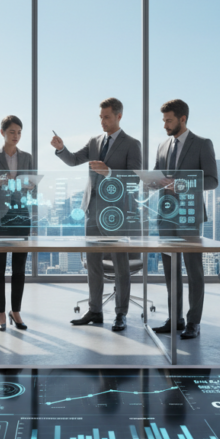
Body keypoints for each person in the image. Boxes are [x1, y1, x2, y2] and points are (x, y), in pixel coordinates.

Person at [51, 97, 143, 332]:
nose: (102, 121)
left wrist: (109, 171)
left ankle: (121, 314)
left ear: (119, 116)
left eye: (107, 117)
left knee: (121, 265)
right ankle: (95, 310)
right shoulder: (94, 141)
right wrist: (61, 149)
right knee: (93, 263)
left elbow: (135, 178)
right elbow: (73, 160)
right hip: (92, 210)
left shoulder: (132, 144)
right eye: (100, 117)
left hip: (116, 213)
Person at [150, 99, 218, 339]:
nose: (165, 125)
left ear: (182, 119)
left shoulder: (202, 144)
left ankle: (193, 323)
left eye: (169, 120)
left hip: (189, 216)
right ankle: (175, 319)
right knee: (170, 270)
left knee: (193, 271)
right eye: (164, 120)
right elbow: (156, 177)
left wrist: (182, 184)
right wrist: (151, 180)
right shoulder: (162, 146)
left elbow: (212, 180)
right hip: (165, 215)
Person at [0, 115, 34, 331]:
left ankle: (16, 311)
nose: (16, 136)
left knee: (19, 268)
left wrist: (30, 186)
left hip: (21, 215)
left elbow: (33, 185)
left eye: (19, 132)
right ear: (3, 132)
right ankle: (1, 314)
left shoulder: (27, 157)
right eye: (12, 132)